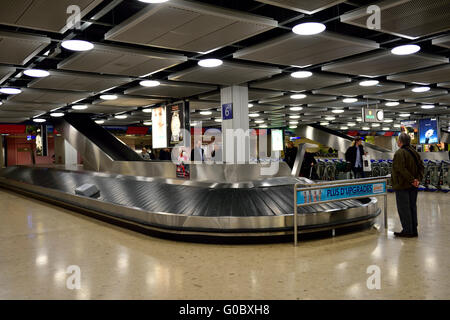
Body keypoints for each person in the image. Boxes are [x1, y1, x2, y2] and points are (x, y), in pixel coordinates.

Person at [392, 133, 424, 238]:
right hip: (413, 186)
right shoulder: (415, 152)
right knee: (412, 207)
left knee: (404, 208)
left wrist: (411, 180)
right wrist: (417, 180)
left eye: (398, 140)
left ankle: (407, 231)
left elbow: (401, 169)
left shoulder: (399, 153)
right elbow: (422, 167)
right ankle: (413, 230)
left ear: (400, 142)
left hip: (402, 185)